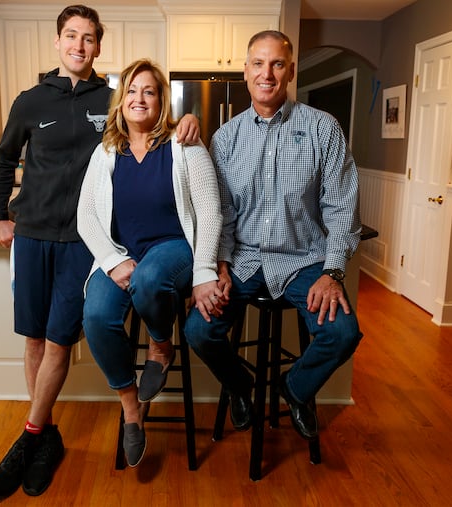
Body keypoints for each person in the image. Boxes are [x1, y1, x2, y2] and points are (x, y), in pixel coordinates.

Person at [0, 6, 199, 501]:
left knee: (60, 342)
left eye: (88, 38)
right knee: (34, 342)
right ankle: (44, 436)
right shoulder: (30, 100)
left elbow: (154, 126)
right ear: (58, 42)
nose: (79, 46)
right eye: (71, 36)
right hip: (32, 234)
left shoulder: (113, 100)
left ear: (99, 47)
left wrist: (189, 119)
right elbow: (3, 159)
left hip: (86, 243)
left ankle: (28, 439)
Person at [184, 30, 363, 441]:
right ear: (246, 72)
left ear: (291, 71)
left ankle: (294, 390)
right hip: (244, 260)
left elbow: (341, 208)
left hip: (305, 260)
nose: (268, 73)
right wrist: (220, 265)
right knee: (198, 329)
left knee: (342, 333)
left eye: (277, 64)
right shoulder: (225, 138)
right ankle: (242, 387)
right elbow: (221, 213)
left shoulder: (323, 129)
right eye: (259, 64)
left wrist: (332, 272)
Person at [77, 59, 222, 467]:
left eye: (150, 91)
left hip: (174, 249)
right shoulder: (106, 152)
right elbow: (85, 216)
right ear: (121, 101)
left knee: (151, 277)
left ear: (161, 102)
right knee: (96, 316)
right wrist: (110, 261)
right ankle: (131, 408)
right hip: (123, 254)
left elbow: (210, 212)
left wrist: (205, 271)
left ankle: (161, 345)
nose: (140, 98)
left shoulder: (184, 144)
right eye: (132, 91)